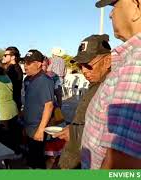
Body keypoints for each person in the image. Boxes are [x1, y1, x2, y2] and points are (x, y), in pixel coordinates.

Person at [81, 0, 141, 169]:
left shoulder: (136, 64)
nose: (110, 14)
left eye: (114, 6)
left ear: (136, 6)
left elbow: (123, 162)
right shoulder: (129, 59)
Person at [54, 34, 112, 169]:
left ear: (108, 60)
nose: (84, 71)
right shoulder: (95, 83)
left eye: (88, 65)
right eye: (80, 66)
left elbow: (111, 135)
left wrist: (74, 133)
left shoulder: (113, 89)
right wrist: (72, 129)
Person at [22, 49, 54, 169]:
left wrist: (41, 130)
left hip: (38, 126)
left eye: (29, 63)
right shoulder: (28, 80)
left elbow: (49, 105)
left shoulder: (45, 81)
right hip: (28, 125)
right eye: (24, 62)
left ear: (39, 64)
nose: (25, 66)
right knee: (31, 156)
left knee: (38, 159)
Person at [2, 47, 23, 112]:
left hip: (11, 104)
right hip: (12, 102)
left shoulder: (13, 69)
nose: (3, 57)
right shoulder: (12, 67)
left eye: (5, 55)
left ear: (13, 57)